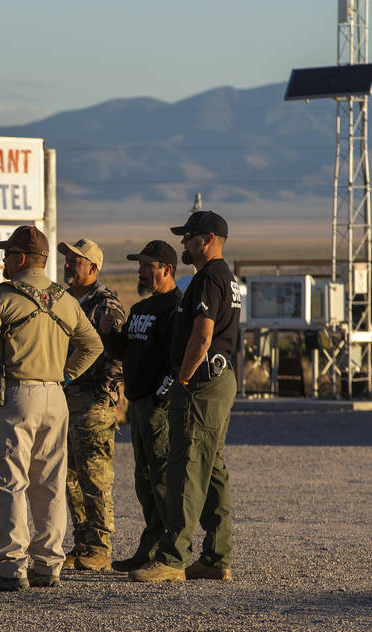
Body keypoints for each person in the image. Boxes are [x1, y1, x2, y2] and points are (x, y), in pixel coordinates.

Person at [0, 225, 103, 591]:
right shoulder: (65, 299)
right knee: (50, 482)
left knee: (8, 481)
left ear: (23, 258)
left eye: (8, 253)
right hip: (54, 399)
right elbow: (92, 345)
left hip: (14, 397)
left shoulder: (1, 298)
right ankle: (48, 564)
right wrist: (64, 376)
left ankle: (11, 566)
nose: (3, 258)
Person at [129, 211, 240, 583]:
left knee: (187, 467)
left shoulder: (208, 277)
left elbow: (203, 336)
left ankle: (173, 557)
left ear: (207, 239)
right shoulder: (227, 277)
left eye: (189, 237)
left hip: (203, 384)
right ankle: (215, 556)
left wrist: (183, 379)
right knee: (213, 468)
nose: (184, 244)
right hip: (220, 381)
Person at [100, 240, 182, 573]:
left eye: (148, 265)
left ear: (167, 269)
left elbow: (178, 360)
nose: (141, 270)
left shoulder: (175, 308)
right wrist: (110, 334)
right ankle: (149, 548)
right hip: (137, 406)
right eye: (140, 264)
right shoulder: (140, 310)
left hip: (157, 405)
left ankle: (171, 553)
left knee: (163, 478)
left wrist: (163, 395)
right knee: (144, 480)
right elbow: (126, 352)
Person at [56, 237, 126, 571]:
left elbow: (117, 352)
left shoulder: (105, 304)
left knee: (95, 477)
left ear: (93, 268)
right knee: (70, 476)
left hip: (92, 403)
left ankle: (100, 547)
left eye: (75, 261)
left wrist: (103, 393)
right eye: (67, 260)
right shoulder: (63, 300)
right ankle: (83, 544)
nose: (68, 265)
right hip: (65, 399)